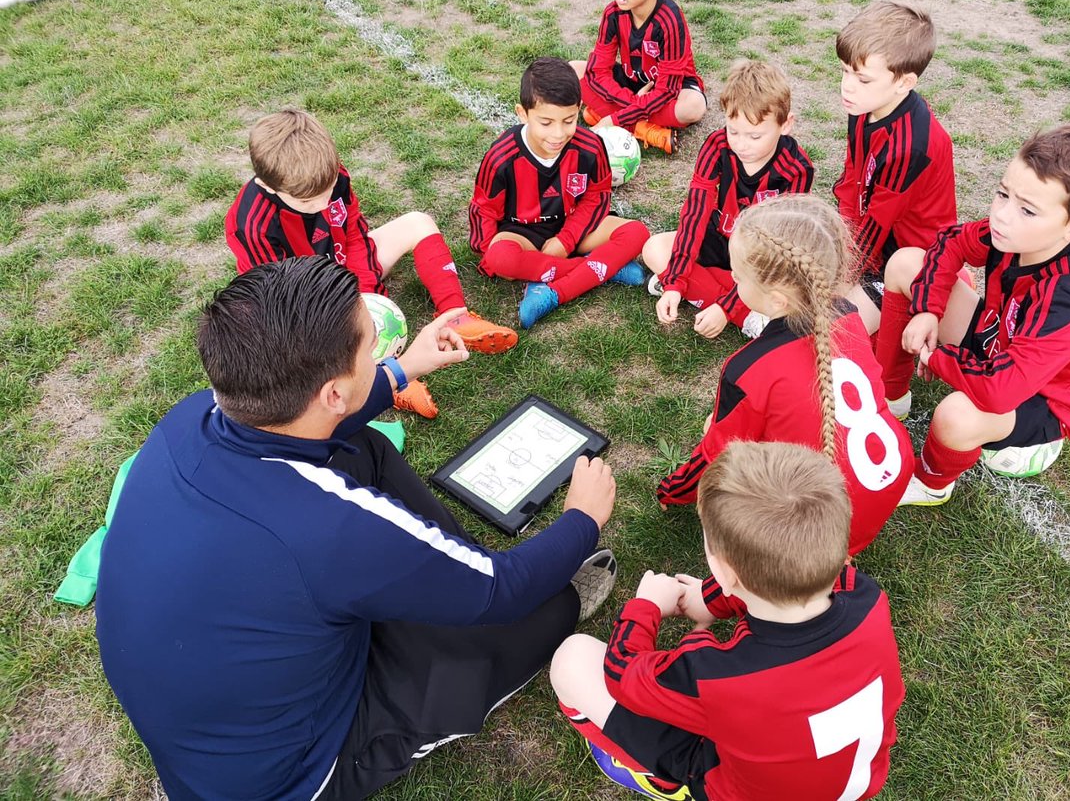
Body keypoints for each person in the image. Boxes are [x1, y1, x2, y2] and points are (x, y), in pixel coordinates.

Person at [95, 256, 618, 801]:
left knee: (359, 445)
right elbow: (501, 588)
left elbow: (324, 421)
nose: (380, 354)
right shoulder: (327, 527)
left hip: (208, 697)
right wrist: (582, 519)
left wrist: (403, 370)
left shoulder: (192, 417)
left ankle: (445, 566)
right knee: (524, 617)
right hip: (284, 776)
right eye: (372, 349)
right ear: (332, 393)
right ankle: (515, 606)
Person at [551, 441, 905, 800]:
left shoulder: (719, 676)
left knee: (572, 660)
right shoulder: (869, 600)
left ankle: (661, 781)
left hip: (734, 790)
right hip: (850, 784)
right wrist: (710, 599)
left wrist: (646, 605)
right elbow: (797, 576)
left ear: (724, 570)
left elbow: (623, 673)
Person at [875, 125, 1070, 505]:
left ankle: (931, 484)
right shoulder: (1016, 235)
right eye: (1003, 194)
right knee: (907, 264)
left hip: (1040, 397)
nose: (1002, 216)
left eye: (1027, 210)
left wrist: (938, 357)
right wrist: (927, 310)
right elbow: (952, 243)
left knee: (956, 415)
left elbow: (1001, 389)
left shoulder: (1068, 300)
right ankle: (891, 396)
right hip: (1001, 342)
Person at [657, 196, 913, 557]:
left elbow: (715, 453)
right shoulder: (849, 315)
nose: (733, 279)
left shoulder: (748, 370)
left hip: (819, 533)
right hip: (886, 483)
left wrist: (671, 490)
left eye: (738, 276)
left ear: (778, 300)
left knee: (716, 430)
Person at [225, 107, 517, 417]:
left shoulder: (331, 173)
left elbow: (354, 236)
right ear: (269, 186)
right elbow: (282, 304)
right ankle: (387, 378)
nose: (323, 205)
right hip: (304, 297)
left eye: (327, 192)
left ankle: (455, 316)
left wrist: (371, 298)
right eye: (309, 202)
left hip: (340, 265)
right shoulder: (253, 226)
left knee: (418, 223)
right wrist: (353, 314)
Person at [470, 57, 651, 328]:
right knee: (500, 257)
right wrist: (489, 257)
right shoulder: (501, 157)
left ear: (579, 108)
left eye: (568, 120)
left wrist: (565, 241)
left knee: (636, 232)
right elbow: (483, 210)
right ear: (523, 114)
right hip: (523, 234)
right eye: (546, 123)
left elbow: (597, 197)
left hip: (575, 226)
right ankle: (601, 268)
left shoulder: (591, 147)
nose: (558, 134)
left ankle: (553, 289)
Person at [642, 60, 815, 340]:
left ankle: (707, 293)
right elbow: (695, 214)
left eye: (755, 136)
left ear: (786, 124)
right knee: (654, 249)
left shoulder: (796, 169)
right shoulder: (717, 145)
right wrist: (674, 283)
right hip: (720, 239)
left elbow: (777, 248)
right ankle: (746, 315)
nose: (741, 144)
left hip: (760, 254)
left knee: (791, 287)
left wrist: (725, 308)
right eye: (733, 131)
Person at [832, 1, 957, 334]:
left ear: (904, 82)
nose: (847, 86)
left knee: (834, 333)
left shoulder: (911, 146)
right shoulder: (864, 105)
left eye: (862, 79)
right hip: (870, 244)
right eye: (844, 71)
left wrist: (843, 274)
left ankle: (940, 294)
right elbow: (851, 182)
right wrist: (840, 241)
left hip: (906, 259)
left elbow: (878, 223)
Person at [570, 0, 706, 155]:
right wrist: (633, 103)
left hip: (669, 90)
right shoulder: (613, 13)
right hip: (631, 85)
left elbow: (666, 92)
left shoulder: (670, 20)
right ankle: (643, 129)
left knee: (694, 106)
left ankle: (608, 117)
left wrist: (614, 118)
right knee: (572, 71)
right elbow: (598, 71)